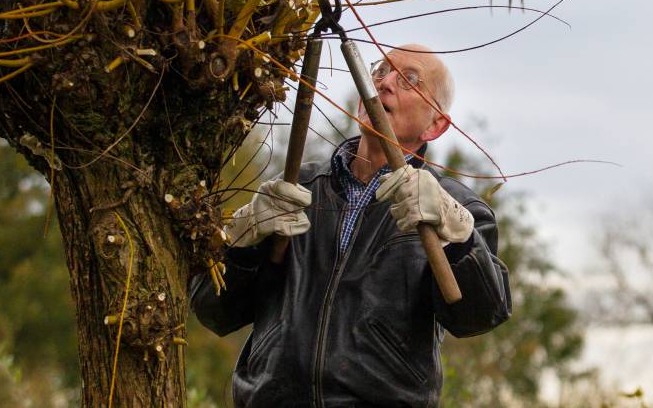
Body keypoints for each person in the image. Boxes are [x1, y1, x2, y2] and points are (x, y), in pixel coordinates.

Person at [190, 44, 512, 407]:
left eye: (409, 79)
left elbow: (479, 316)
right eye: (379, 71)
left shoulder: (456, 208)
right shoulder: (297, 188)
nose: (385, 83)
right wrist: (242, 244)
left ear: (435, 125)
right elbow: (213, 311)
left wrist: (460, 239)